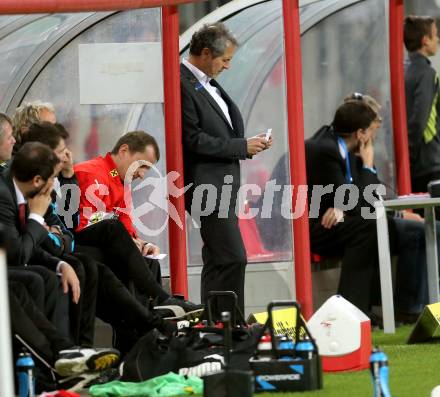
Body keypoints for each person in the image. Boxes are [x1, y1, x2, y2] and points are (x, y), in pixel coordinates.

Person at [305, 99, 428, 322]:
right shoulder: (325, 150)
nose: (374, 135)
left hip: (342, 220)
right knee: (370, 228)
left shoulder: (345, 146)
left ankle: (409, 308)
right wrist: (368, 165)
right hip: (317, 227)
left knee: (413, 229)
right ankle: (352, 312)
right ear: (360, 133)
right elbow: (361, 203)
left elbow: (364, 199)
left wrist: (347, 204)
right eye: (372, 129)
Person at [180, 22, 272, 316]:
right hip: (206, 187)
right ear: (206, 53)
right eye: (225, 59)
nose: (228, 66)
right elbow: (192, 139)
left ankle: (215, 325)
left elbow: (220, 130)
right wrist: (240, 147)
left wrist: (246, 143)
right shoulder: (180, 82)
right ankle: (230, 324)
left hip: (223, 186)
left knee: (218, 259)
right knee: (233, 258)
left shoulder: (204, 81)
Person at [73, 131, 202, 317]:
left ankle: (152, 318)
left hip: (104, 239)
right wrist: (123, 234)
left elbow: (126, 224)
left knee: (149, 260)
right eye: (142, 165)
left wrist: (141, 243)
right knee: (113, 228)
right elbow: (86, 220)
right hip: (78, 240)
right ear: (124, 150)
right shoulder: (91, 172)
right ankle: (162, 298)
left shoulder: (120, 180)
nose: (142, 175)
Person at [404, 16, 440, 194]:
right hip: (428, 161)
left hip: (414, 163)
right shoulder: (427, 73)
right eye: (435, 36)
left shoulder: (404, 70)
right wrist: (409, 155)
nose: (438, 40)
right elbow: (420, 118)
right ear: (425, 40)